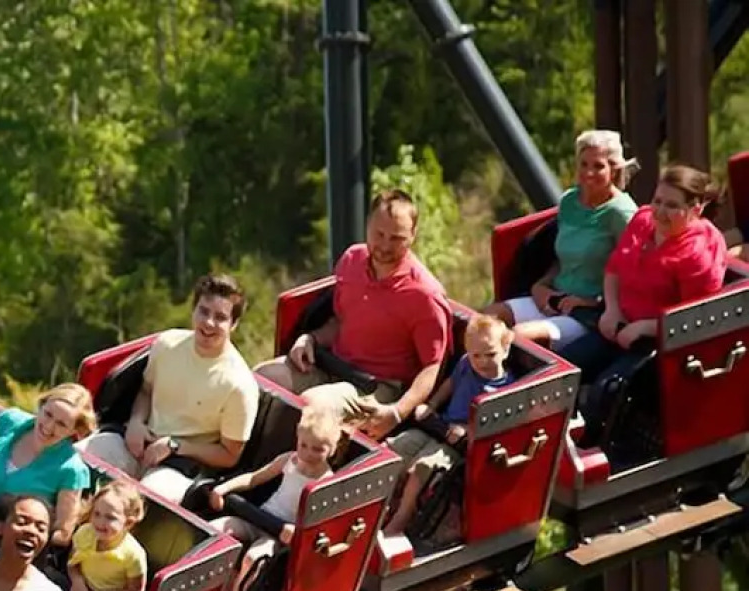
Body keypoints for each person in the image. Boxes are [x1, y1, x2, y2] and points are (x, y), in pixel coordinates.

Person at [254, 190, 451, 442]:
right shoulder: (352, 261)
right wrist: (310, 339)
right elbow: (341, 321)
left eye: (396, 238)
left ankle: (289, 473)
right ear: (367, 225)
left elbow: (432, 366)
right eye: (379, 234)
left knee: (316, 407)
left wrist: (398, 413)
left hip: (377, 387)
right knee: (263, 378)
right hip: (335, 365)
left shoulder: (424, 295)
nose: (385, 246)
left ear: (412, 235)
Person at [80, 274, 259, 505]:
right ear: (193, 310)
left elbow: (229, 455)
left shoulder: (239, 384)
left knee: (137, 503)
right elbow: (146, 390)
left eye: (220, 317)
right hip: (138, 443)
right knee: (77, 460)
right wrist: (136, 421)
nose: (209, 323)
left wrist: (175, 446)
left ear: (233, 324)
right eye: (203, 312)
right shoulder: (168, 343)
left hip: (180, 466)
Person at [560, 164, 728, 389]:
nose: (659, 211)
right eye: (657, 201)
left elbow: (693, 320)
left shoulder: (697, 254)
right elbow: (614, 269)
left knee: (607, 390)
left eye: (672, 206)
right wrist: (612, 309)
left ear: (695, 210)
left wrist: (646, 328)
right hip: (618, 324)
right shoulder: (642, 221)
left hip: (658, 345)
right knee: (565, 368)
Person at [486, 130, 638, 349]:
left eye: (598, 166)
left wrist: (590, 302)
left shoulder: (621, 214)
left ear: (614, 169)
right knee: (487, 322)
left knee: (518, 338)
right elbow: (563, 259)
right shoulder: (570, 201)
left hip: (588, 312)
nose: (588, 173)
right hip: (555, 296)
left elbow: (632, 276)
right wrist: (541, 286)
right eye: (583, 164)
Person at [205, 404, 342, 591]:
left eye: (317, 449)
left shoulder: (325, 483)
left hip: (278, 533)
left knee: (253, 558)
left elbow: (321, 524)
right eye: (303, 445)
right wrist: (224, 488)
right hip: (260, 517)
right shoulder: (288, 460)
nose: (307, 453)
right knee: (215, 530)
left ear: (332, 449)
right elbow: (254, 478)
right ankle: (209, 589)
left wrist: (297, 532)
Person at [383, 315, 516, 537]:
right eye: (476, 355)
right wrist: (432, 405)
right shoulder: (466, 364)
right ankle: (384, 505)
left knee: (423, 467)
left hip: (458, 445)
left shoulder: (505, 391)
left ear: (505, 349)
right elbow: (451, 384)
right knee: (396, 447)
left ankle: (401, 518)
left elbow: (497, 429)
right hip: (438, 426)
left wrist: (468, 433)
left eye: (490, 354)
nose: (482, 361)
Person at [0, 384, 96, 546]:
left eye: (61, 424)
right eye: (48, 414)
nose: (49, 426)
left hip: (6, 547)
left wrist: (12, 531)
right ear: (41, 406)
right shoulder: (8, 421)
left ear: (74, 431)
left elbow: (63, 534)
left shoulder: (72, 470)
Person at [67, 480, 149, 591]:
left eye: (110, 518)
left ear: (128, 522)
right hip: (84, 589)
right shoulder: (85, 533)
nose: (100, 523)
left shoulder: (133, 554)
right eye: (97, 514)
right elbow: (72, 563)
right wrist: (77, 582)